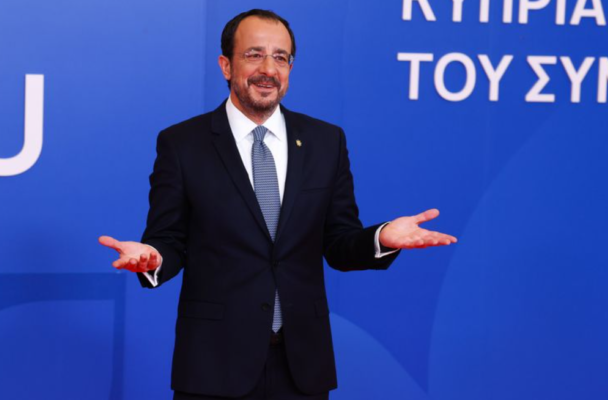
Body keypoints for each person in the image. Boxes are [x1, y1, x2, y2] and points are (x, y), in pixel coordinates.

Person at [100, 9, 457, 400]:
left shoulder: (326, 142)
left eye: (280, 57)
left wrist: (381, 237)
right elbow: (168, 239)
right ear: (226, 65)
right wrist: (152, 258)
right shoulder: (182, 144)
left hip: (302, 367)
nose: (268, 69)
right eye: (254, 54)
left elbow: (339, 242)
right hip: (214, 364)